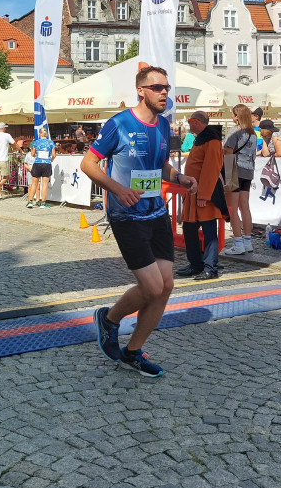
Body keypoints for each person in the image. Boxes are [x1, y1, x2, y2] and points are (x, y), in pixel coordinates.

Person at [83, 65, 198, 378]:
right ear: (141, 91)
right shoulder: (119, 124)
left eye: (167, 88)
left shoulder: (163, 126)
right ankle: (108, 319)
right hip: (126, 215)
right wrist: (119, 189)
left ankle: (133, 352)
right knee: (151, 286)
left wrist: (181, 176)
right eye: (158, 87)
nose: (164, 93)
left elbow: (160, 167)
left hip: (157, 213)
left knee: (166, 286)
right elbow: (88, 164)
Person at [176, 112, 228, 279]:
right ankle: (196, 264)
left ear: (197, 122)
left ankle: (210, 268)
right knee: (189, 228)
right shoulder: (201, 138)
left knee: (209, 230)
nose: (189, 125)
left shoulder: (212, 140)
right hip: (194, 191)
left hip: (206, 193)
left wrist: (204, 195)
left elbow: (211, 169)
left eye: (190, 121)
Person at [222, 104, 257, 257]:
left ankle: (237, 243)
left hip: (234, 169)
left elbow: (228, 152)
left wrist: (226, 175)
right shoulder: (253, 133)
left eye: (233, 114)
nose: (232, 117)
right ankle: (248, 241)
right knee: (245, 206)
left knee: (233, 208)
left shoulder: (234, 130)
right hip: (248, 170)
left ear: (237, 116)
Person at [28, 127, 56, 208]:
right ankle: (43, 203)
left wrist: (36, 157)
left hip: (37, 163)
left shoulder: (36, 142)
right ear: (46, 134)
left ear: (39, 134)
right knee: (44, 184)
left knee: (34, 184)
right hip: (46, 164)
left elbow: (32, 154)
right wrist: (50, 160)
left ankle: (30, 201)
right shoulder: (51, 143)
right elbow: (54, 155)